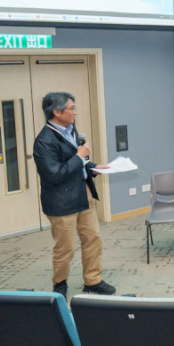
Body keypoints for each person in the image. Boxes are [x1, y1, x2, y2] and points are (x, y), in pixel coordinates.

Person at [33, 92, 116, 299]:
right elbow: (55, 174)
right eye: (71, 108)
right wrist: (80, 157)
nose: (75, 112)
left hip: (83, 194)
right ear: (56, 112)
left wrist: (93, 167)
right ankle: (59, 283)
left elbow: (77, 162)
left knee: (93, 238)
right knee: (66, 247)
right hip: (61, 202)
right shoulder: (44, 141)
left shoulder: (71, 130)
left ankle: (93, 281)